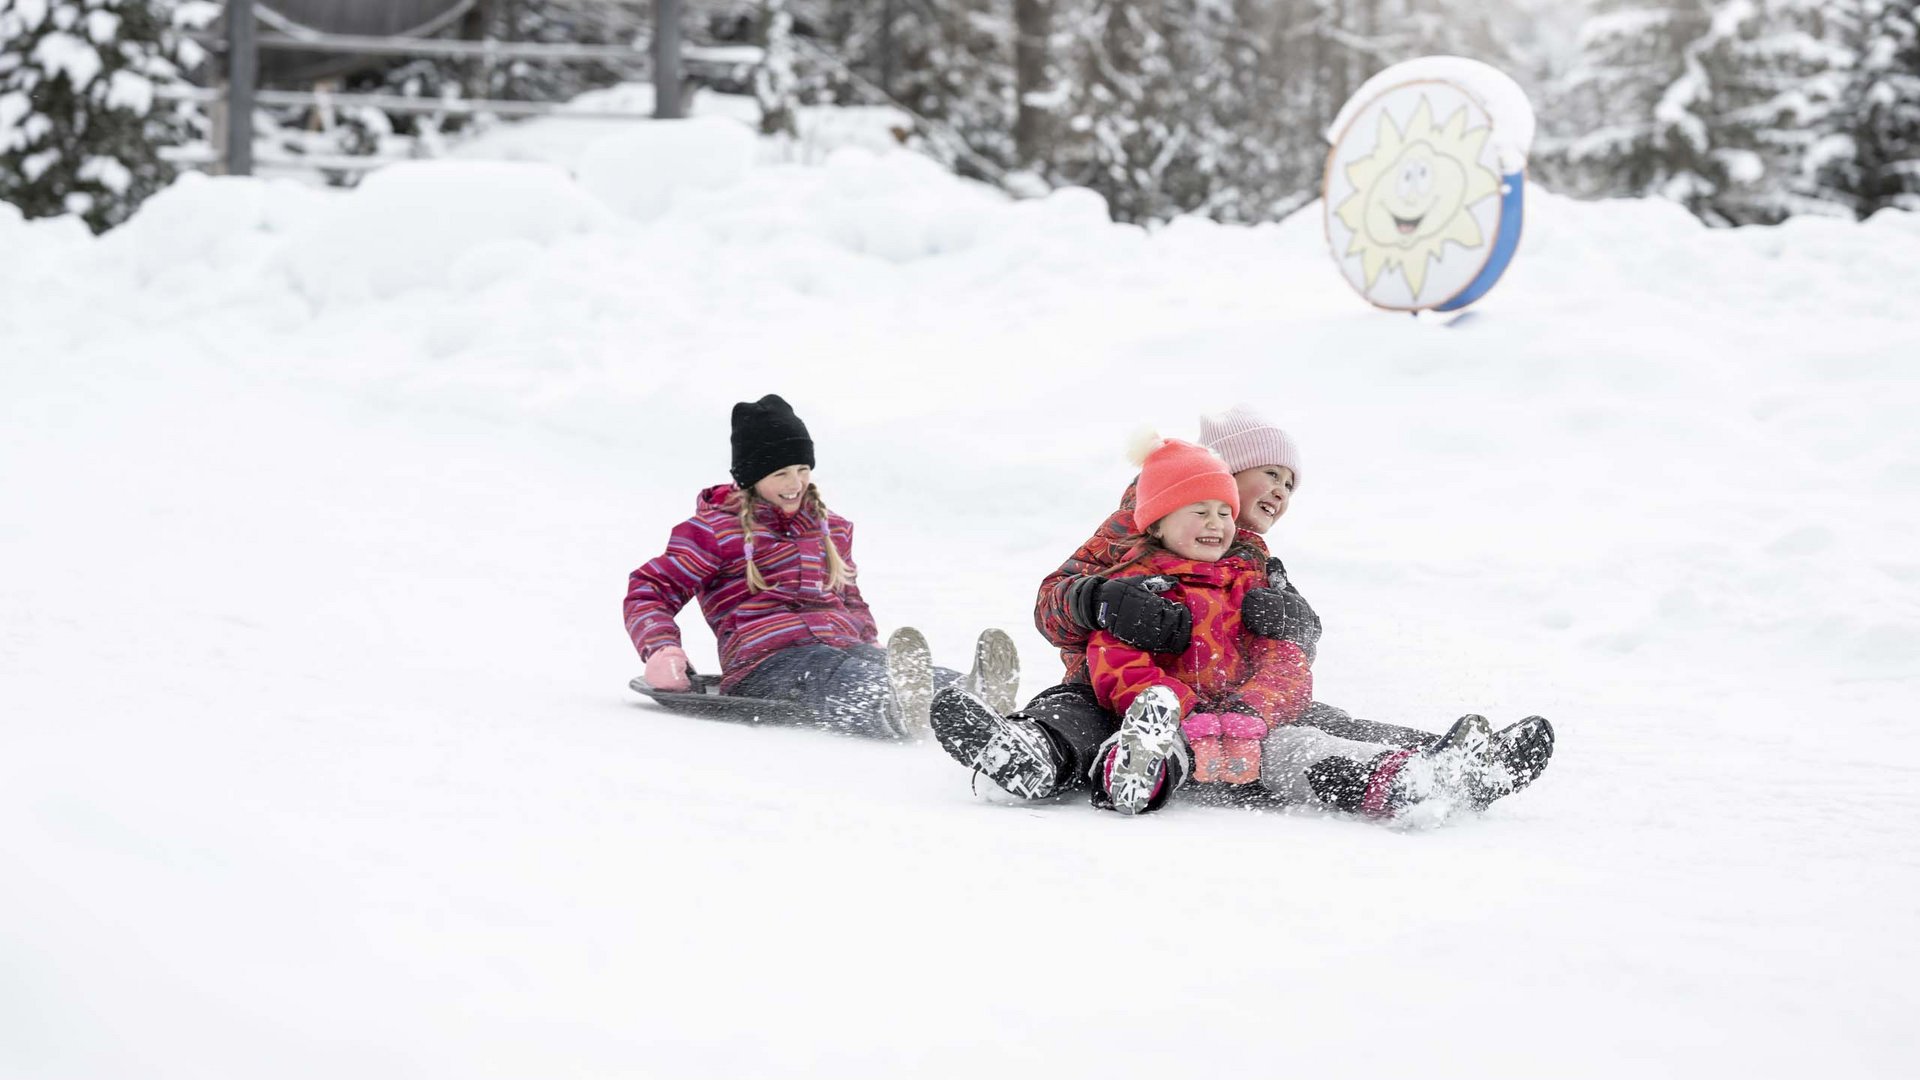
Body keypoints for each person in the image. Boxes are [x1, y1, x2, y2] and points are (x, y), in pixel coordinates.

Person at [929, 405, 1552, 820]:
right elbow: (1052, 605)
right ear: (1222, 472)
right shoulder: (1135, 529)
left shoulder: (1253, 558)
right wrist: (1101, 599)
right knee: (1072, 709)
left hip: (1238, 703)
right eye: (1271, 475)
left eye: (1292, 485)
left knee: (1320, 719)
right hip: (1119, 691)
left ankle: (1440, 762)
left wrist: (1294, 624)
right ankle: (1025, 752)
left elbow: (1289, 655)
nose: (1281, 493)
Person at [624, 394, 1017, 739]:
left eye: (802, 470)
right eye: (780, 474)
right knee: (830, 672)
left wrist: (868, 638)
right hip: (766, 663)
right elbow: (650, 589)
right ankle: (890, 707)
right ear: (750, 477)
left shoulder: (828, 528)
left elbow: (849, 597)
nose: (795, 482)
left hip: (842, 644)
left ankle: (966, 695)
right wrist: (661, 650)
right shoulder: (714, 532)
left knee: (870, 662)